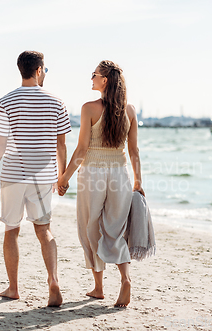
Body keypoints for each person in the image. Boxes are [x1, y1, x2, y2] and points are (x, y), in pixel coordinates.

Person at [0, 51, 71, 307]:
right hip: (43, 177)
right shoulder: (57, 102)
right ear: (38, 70)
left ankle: (14, 288)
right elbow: (61, 145)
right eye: (45, 70)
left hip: (13, 176)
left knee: (11, 231)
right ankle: (53, 281)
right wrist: (61, 177)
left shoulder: (6, 101)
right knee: (44, 230)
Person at [57, 60, 144, 307]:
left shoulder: (89, 108)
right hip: (121, 175)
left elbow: (82, 150)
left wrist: (64, 178)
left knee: (90, 228)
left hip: (92, 175)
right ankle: (125, 279)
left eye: (94, 75)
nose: (91, 78)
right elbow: (134, 150)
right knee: (115, 230)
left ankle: (98, 287)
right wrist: (138, 181)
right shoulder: (130, 111)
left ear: (104, 80)